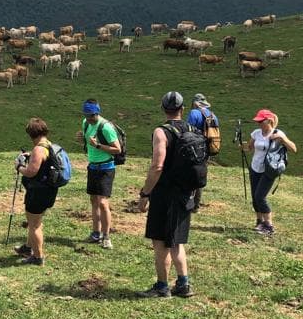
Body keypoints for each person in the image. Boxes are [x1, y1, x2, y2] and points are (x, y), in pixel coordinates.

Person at [135, 91, 195, 298]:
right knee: (177, 241)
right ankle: (183, 284)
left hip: (165, 194)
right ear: (182, 109)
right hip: (186, 192)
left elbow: (157, 166)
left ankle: (162, 287)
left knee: (160, 242)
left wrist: (145, 193)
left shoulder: (161, 132)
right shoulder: (192, 129)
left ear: (163, 109)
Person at [75, 99, 122, 249]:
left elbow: (117, 149)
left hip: (106, 168)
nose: (89, 118)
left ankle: (106, 236)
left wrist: (98, 145)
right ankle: (96, 233)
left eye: (91, 116)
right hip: (93, 167)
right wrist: (82, 138)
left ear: (97, 113)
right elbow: (87, 140)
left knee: (102, 202)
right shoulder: (86, 123)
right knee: (94, 201)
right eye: (86, 115)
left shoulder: (106, 127)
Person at [244, 109, 297, 236]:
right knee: (254, 197)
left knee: (260, 197)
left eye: (261, 121)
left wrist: (282, 140)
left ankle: (269, 225)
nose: (259, 124)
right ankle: (259, 221)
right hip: (255, 167)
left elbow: (294, 149)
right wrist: (242, 145)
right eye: (258, 121)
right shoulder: (256, 133)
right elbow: (249, 148)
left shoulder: (278, 133)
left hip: (269, 169)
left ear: (269, 121)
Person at [13, 117, 58, 266]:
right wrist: (30, 156)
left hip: (39, 192)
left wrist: (19, 167)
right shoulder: (48, 145)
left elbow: (31, 172)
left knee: (34, 224)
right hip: (47, 190)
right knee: (35, 221)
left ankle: (38, 257)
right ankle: (28, 247)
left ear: (32, 134)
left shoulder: (39, 149)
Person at [186, 93, 219, 210]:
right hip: (207, 147)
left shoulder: (194, 113)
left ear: (195, 103)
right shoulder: (213, 115)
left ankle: (188, 201)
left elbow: (188, 130)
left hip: (194, 146)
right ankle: (196, 204)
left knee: (189, 172)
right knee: (200, 173)